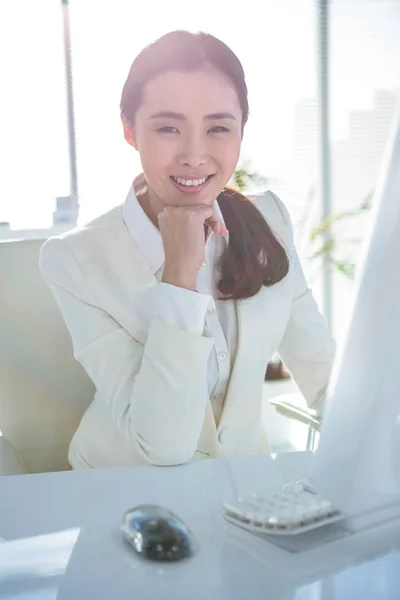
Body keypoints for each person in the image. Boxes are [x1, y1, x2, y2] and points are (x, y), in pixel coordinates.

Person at [40, 30, 336, 470]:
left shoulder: (268, 218)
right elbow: (164, 447)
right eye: (168, 128)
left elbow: (324, 374)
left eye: (218, 127)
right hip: (120, 495)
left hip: (243, 490)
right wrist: (180, 271)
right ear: (129, 131)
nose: (195, 155)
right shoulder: (74, 260)